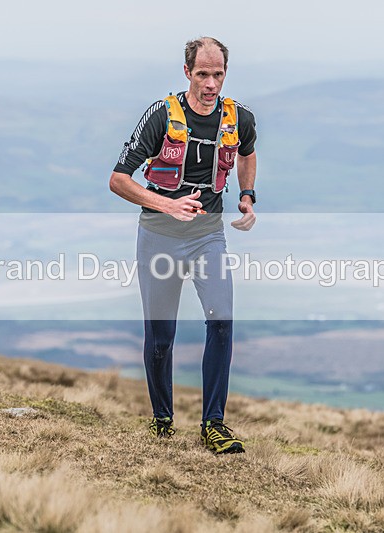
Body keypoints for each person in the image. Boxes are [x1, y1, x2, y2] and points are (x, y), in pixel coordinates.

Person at [109, 37, 257, 454]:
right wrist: (167, 205)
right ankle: (162, 420)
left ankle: (214, 424)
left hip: (208, 234)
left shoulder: (239, 118)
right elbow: (119, 179)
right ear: (187, 72)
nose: (211, 84)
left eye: (218, 74)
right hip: (159, 235)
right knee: (161, 336)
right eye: (202, 74)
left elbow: (247, 153)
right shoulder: (161, 115)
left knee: (222, 322)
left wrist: (247, 196)